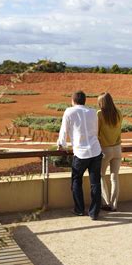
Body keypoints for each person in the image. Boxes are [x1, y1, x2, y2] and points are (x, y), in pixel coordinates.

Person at [57, 90, 103, 220]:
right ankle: (94, 212)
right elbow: (95, 129)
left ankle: (79, 209)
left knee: (76, 181)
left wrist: (62, 145)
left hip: (81, 153)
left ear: (73, 101)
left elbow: (64, 130)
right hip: (95, 151)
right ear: (84, 100)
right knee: (95, 183)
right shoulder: (93, 112)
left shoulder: (69, 111)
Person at [97, 92, 123, 212]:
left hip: (105, 149)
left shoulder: (100, 114)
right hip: (118, 148)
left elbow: (96, 133)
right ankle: (114, 204)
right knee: (114, 177)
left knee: (100, 175)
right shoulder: (119, 113)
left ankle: (106, 202)